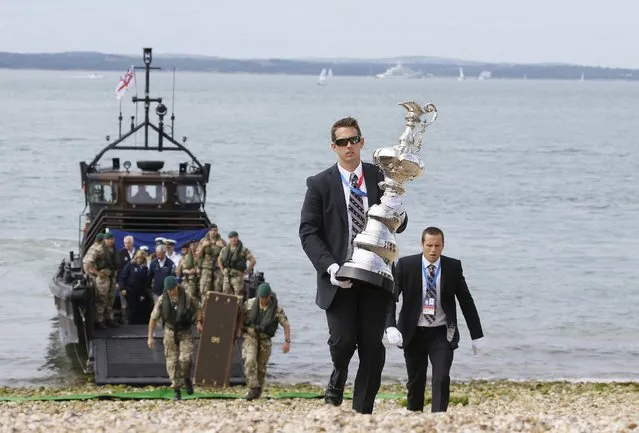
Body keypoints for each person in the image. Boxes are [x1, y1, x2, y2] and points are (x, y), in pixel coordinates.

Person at [299, 116, 408, 414]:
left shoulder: (379, 176)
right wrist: (329, 268)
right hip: (339, 275)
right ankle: (338, 375)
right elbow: (308, 232)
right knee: (343, 342)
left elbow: (400, 223)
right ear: (334, 147)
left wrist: (398, 209)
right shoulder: (319, 184)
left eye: (353, 140)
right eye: (342, 142)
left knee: (373, 349)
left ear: (362, 142)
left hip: (375, 274)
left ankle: (362, 412)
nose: (349, 146)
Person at [385, 226, 485, 413]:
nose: (433, 250)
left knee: (441, 378)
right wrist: (390, 327)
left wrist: (477, 336)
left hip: (441, 332)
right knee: (415, 380)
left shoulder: (453, 267)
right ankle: (414, 416)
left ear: (443, 246)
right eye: (429, 245)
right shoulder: (406, 265)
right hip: (413, 332)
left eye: (437, 245)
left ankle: (438, 419)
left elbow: (466, 302)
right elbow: (391, 298)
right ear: (422, 244)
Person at [147, 275, 203, 400]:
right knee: (172, 363)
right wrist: (150, 337)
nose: (171, 292)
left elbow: (199, 307)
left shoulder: (187, 297)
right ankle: (176, 389)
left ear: (177, 287)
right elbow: (153, 318)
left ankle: (187, 378)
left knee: (186, 359)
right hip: (170, 332)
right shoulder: (162, 300)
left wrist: (199, 321)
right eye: (168, 290)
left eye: (172, 289)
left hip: (185, 332)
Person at [241, 282, 291, 401]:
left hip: (265, 339)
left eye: (265, 298)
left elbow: (286, 324)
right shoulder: (250, 304)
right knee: (250, 360)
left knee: (261, 367)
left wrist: (287, 342)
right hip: (250, 336)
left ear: (269, 297)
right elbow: (239, 315)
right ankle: (253, 387)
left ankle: (258, 390)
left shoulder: (276, 310)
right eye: (261, 298)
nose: (262, 301)